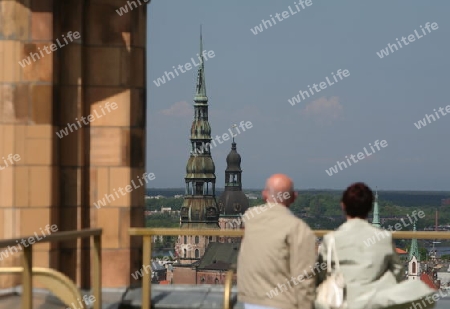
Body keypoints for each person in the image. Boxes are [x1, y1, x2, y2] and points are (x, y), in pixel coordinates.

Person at [316, 182, 436, 309]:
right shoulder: (383, 238)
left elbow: (322, 272)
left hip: (341, 301)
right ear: (369, 208)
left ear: (343, 206)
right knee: (421, 290)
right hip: (374, 302)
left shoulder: (330, 239)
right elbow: (398, 271)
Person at [238, 174, 317, 309]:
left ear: (264, 195)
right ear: (293, 197)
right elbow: (304, 278)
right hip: (282, 303)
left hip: (249, 300)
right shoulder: (299, 229)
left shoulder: (251, 218)